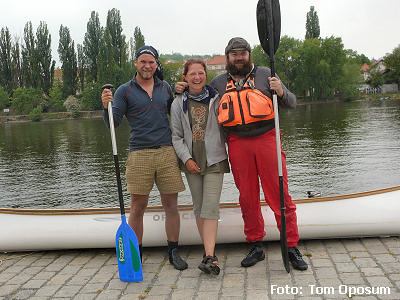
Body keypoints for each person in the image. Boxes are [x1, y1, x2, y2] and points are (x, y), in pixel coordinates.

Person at [176, 37, 308, 271]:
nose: (238, 57)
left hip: (267, 139)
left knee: (279, 195)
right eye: (234, 54)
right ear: (227, 58)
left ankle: (291, 246)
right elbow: (197, 92)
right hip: (237, 142)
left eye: (242, 53)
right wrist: (182, 87)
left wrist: (280, 91)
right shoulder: (217, 83)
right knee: (247, 196)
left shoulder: (266, 74)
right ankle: (256, 243)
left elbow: (292, 102)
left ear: (249, 55)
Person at [101, 45, 188, 271]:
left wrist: (180, 93)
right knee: (137, 206)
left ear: (156, 64)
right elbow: (113, 123)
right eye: (143, 62)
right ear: (136, 63)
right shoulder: (124, 91)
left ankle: (173, 251)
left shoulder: (165, 87)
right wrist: (106, 108)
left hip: (167, 151)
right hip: (139, 153)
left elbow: (177, 113)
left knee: (171, 204)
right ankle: (135, 254)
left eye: (151, 62)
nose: (147, 66)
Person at [170, 59, 229, 275]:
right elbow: (176, 137)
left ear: (206, 75)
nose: (197, 77)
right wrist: (186, 159)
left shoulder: (216, 97)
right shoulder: (177, 103)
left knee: (210, 206)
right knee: (198, 207)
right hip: (191, 161)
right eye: (192, 74)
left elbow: (228, 124)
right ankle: (208, 252)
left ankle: (209, 256)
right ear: (185, 77)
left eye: (200, 73)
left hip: (214, 159)